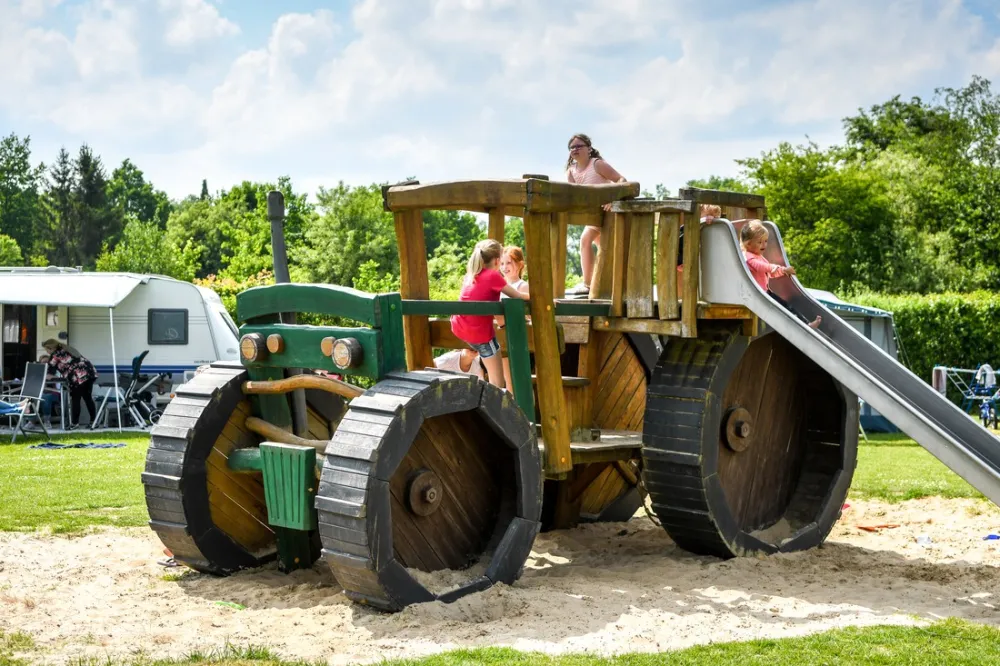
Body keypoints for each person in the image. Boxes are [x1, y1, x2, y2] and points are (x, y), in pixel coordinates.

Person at [451, 239, 530, 389]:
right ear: (497, 260)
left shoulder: (471, 275)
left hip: (460, 328)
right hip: (480, 335)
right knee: (497, 385)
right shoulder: (492, 276)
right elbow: (517, 296)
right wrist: (541, 298)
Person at [565, 134, 626, 295]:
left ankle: (587, 284)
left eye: (579, 146)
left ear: (589, 149)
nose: (575, 149)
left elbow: (621, 180)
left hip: (607, 214)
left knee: (585, 240)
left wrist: (613, 199)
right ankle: (605, 282)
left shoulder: (597, 164)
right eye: (572, 147)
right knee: (603, 249)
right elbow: (573, 196)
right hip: (592, 216)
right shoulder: (571, 171)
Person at [740, 221, 821, 329]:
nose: (764, 245)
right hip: (759, 295)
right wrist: (781, 269)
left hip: (764, 293)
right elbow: (763, 267)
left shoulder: (758, 256)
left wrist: (783, 271)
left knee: (787, 306)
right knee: (784, 309)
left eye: (765, 241)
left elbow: (770, 272)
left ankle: (806, 324)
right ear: (748, 244)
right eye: (759, 242)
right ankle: (805, 326)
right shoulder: (748, 257)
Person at [42, 339, 99, 429]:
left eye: (47, 350)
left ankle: (75, 423)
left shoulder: (55, 354)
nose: (47, 352)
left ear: (50, 348)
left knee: (76, 399)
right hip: (90, 373)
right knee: (88, 398)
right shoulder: (68, 349)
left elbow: (49, 369)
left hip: (78, 376)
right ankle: (94, 421)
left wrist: (44, 375)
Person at [497, 246, 530, 391]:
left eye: (509, 263)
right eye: (502, 263)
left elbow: (528, 314)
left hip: (516, 336)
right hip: (502, 336)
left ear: (520, 264)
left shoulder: (522, 286)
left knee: (516, 381)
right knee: (506, 379)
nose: (504, 267)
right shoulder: (500, 286)